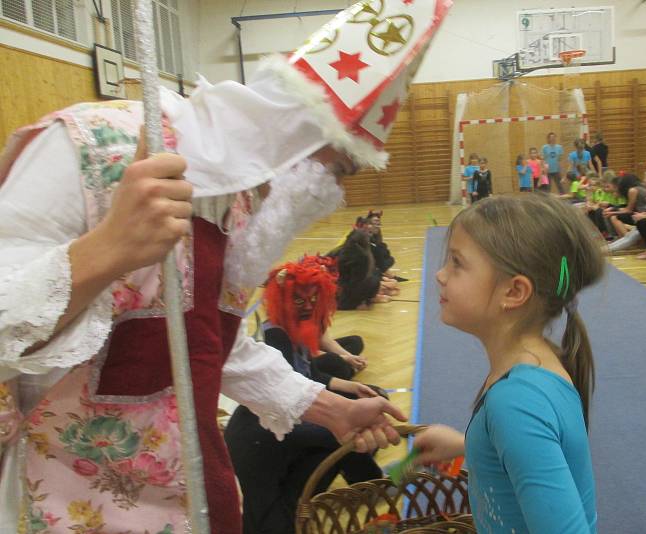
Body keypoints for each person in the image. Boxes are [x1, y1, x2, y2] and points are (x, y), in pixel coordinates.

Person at [0, 0, 451, 529]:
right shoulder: (90, 150)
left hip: (188, 495)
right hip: (59, 502)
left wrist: (328, 408)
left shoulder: (239, 203)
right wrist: (108, 250)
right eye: (341, 166)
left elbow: (207, 343)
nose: (335, 191)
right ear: (292, 132)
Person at [413, 194, 603, 533]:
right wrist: (466, 444)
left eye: (457, 262)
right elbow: (531, 445)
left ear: (514, 292)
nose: (441, 275)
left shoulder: (515, 402)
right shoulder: (538, 362)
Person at [225, 260, 383, 533]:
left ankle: (354, 485)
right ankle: (370, 482)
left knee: (356, 420)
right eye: (299, 300)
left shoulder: (299, 329)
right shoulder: (277, 334)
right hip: (258, 437)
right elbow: (288, 391)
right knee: (265, 524)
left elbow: (310, 377)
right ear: (283, 300)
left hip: (286, 422)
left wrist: (352, 389)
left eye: (313, 299)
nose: (308, 306)